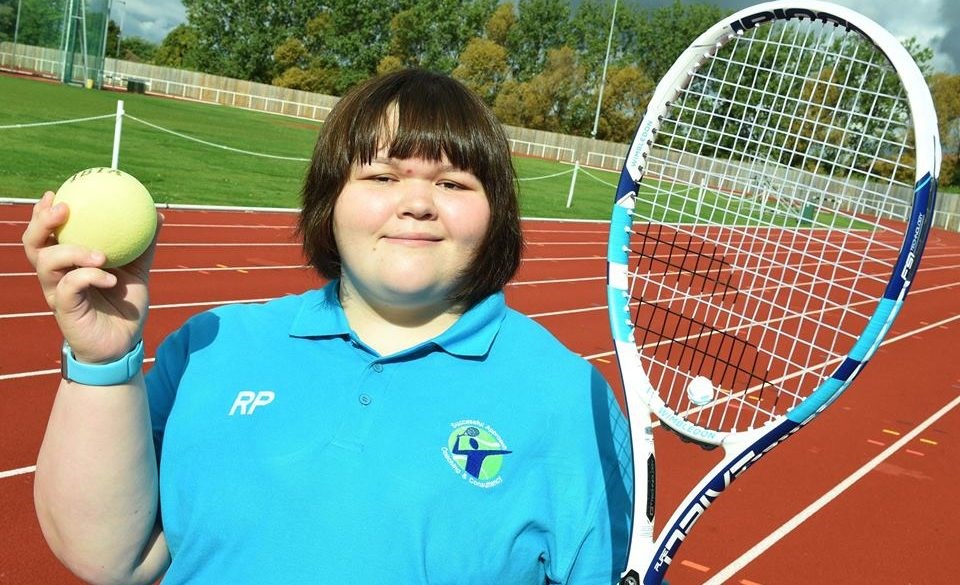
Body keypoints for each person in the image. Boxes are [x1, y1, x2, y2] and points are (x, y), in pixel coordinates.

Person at [23, 68, 632, 584]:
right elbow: (112, 559)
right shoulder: (213, 348)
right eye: (381, 176)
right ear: (329, 200)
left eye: (452, 183)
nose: (417, 203)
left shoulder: (567, 400)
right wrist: (102, 359)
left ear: (495, 214)